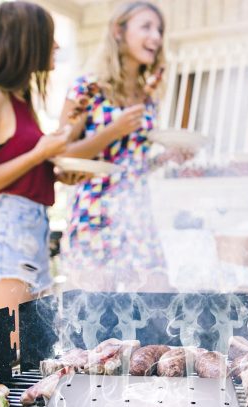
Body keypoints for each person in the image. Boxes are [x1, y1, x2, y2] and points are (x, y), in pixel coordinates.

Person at [59, 0, 183, 292]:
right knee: (97, 320)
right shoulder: (86, 88)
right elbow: (61, 156)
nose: (156, 37)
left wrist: (165, 157)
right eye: (146, 27)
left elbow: (131, 165)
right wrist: (114, 130)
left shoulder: (148, 97)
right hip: (95, 216)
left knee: (155, 309)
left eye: (160, 29)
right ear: (118, 31)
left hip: (137, 216)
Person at [0, 2, 82, 344]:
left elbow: (17, 172)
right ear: (25, 40)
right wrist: (39, 154)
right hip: (4, 243)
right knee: (1, 360)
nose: (56, 46)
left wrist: (53, 174)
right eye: (49, 38)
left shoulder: (20, 100)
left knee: (26, 357)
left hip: (29, 241)